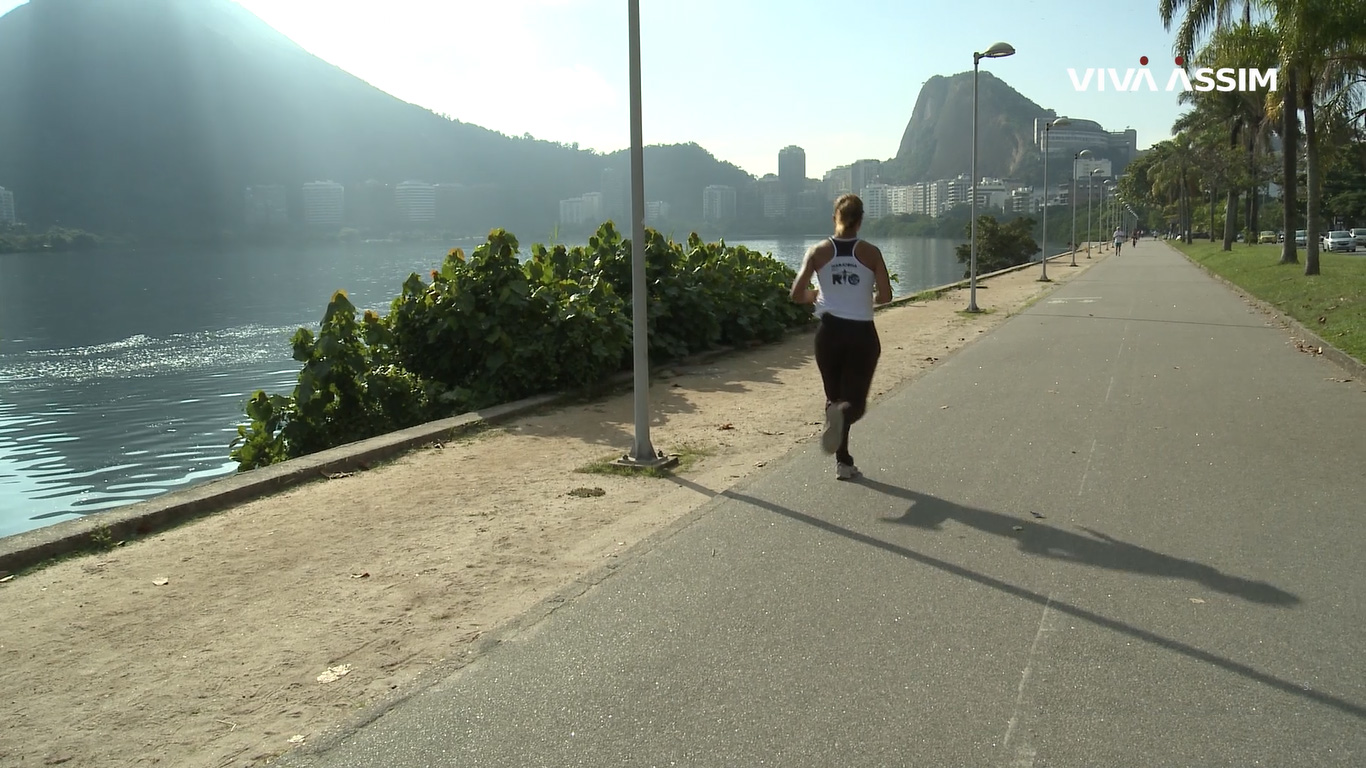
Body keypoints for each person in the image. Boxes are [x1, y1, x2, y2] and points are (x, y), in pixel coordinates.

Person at [790, 194, 893, 481]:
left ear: (834, 217)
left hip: (829, 333)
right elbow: (885, 296)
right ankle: (842, 434)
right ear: (860, 221)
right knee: (853, 404)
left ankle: (843, 462)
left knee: (835, 399)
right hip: (860, 334)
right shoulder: (871, 253)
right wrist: (865, 296)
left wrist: (820, 295)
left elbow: (797, 295)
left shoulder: (818, 252)